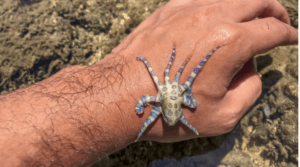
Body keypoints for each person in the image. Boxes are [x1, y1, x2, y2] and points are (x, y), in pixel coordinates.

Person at [0, 0, 297, 166]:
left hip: (170, 107)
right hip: (174, 108)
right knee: (183, 73)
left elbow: (158, 89)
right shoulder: (176, 97)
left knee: (172, 74)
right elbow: (185, 83)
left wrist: (138, 83)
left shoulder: (164, 95)